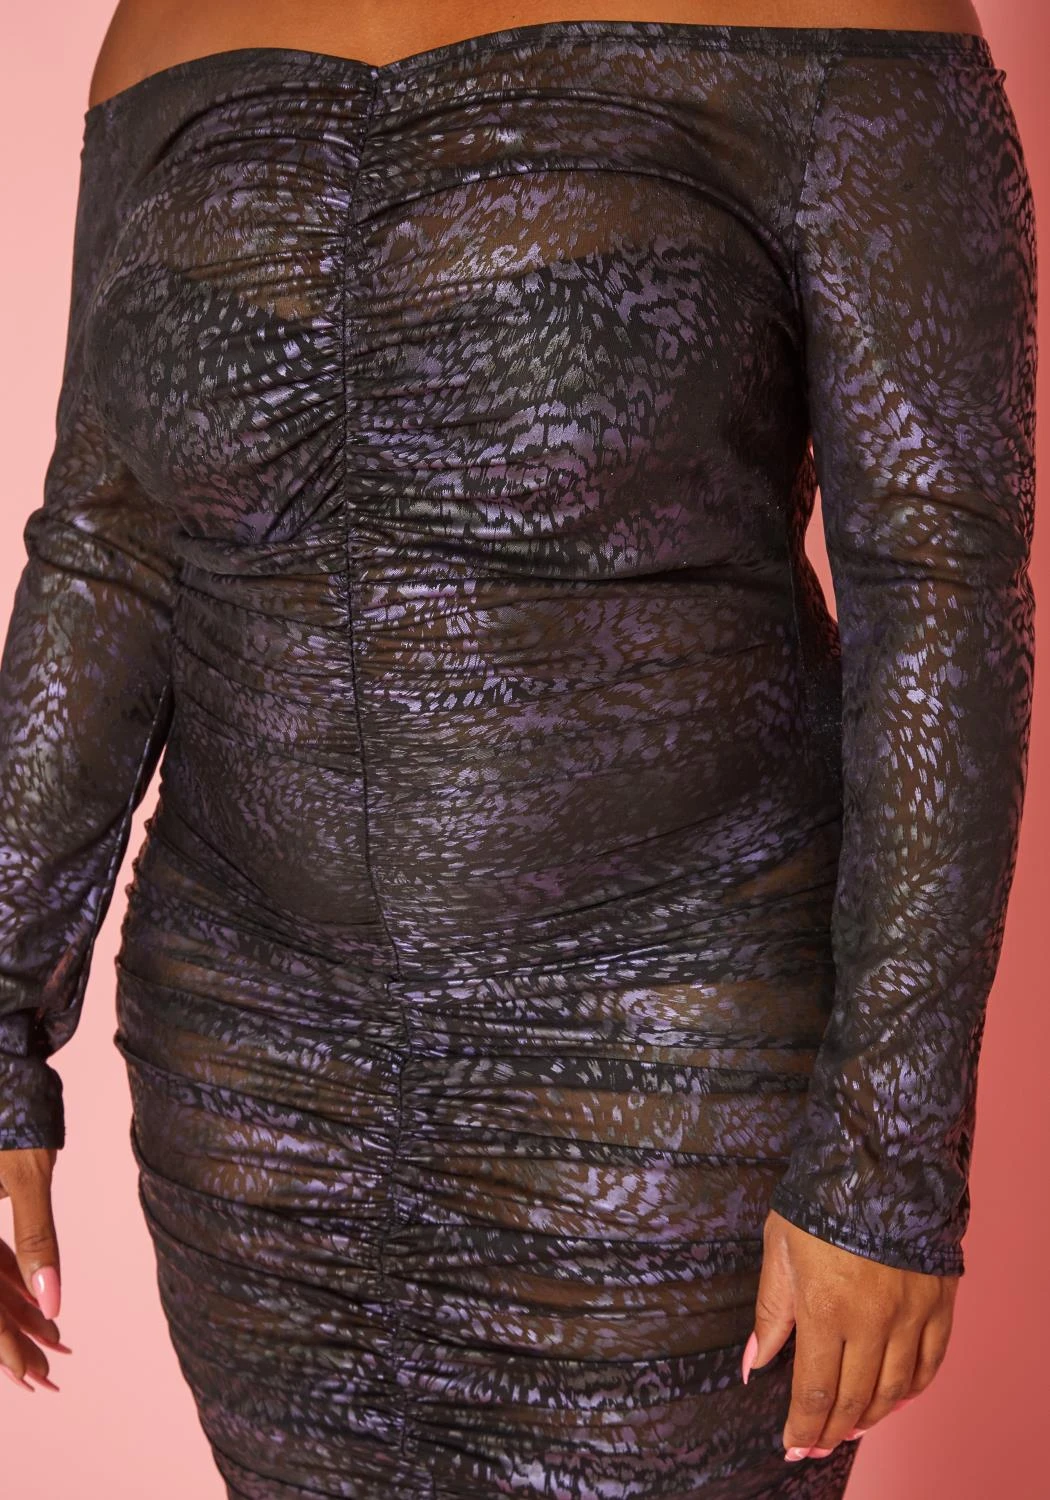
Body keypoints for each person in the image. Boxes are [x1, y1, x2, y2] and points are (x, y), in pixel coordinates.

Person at [0, 1, 1036, 1494]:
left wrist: (887, 1151)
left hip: (664, 1071)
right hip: (251, 1080)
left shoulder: (845, 15)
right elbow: (107, 553)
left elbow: (938, 586)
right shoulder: (161, 25)